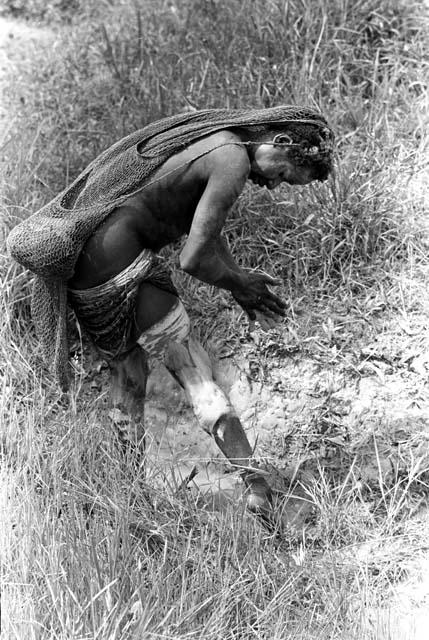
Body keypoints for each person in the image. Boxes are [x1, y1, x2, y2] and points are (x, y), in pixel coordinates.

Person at [8, 106, 334, 521]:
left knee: (128, 381)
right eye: (284, 174)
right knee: (195, 371)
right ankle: (256, 489)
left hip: (90, 266)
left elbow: (208, 235)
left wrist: (237, 279)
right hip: (124, 256)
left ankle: (127, 499)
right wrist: (241, 285)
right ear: (282, 143)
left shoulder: (217, 140)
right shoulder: (232, 159)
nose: (273, 185)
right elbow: (194, 257)